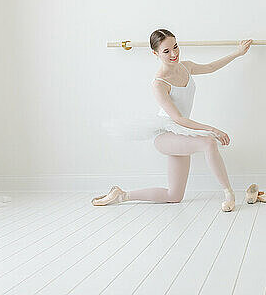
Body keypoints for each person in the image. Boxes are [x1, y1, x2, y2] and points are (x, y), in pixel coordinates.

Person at [92, 29, 252, 212]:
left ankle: (122, 195)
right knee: (209, 142)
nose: (174, 54)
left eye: (175, 47)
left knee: (174, 196)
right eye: (166, 51)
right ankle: (229, 194)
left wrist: (238, 53)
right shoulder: (159, 83)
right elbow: (177, 118)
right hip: (166, 135)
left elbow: (210, 67)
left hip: (181, 133)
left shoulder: (186, 67)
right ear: (155, 54)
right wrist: (213, 130)